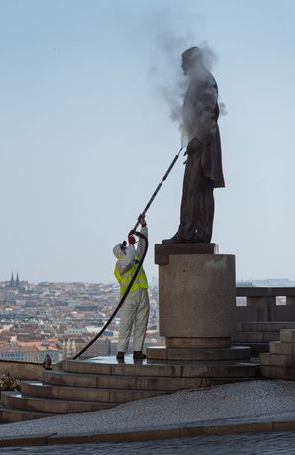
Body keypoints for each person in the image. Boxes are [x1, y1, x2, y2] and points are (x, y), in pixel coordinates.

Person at [164, 46, 224, 244]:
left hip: (203, 144)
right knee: (199, 190)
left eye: (185, 63)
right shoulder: (201, 80)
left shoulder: (204, 81)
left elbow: (209, 114)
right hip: (201, 142)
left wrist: (197, 140)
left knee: (193, 189)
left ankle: (188, 233)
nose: (182, 68)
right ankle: (197, 232)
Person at [113, 216, 150, 361]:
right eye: (124, 247)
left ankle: (137, 350)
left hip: (142, 293)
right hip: (128, 297)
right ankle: (121, 351)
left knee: (141, 323)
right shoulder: (120, 264)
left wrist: (143, 227)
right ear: (120, 252)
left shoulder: (135, 257)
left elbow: (143, 246)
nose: (126, 248)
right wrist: (130, 245)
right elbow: (129, 260)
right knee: (126, 324)